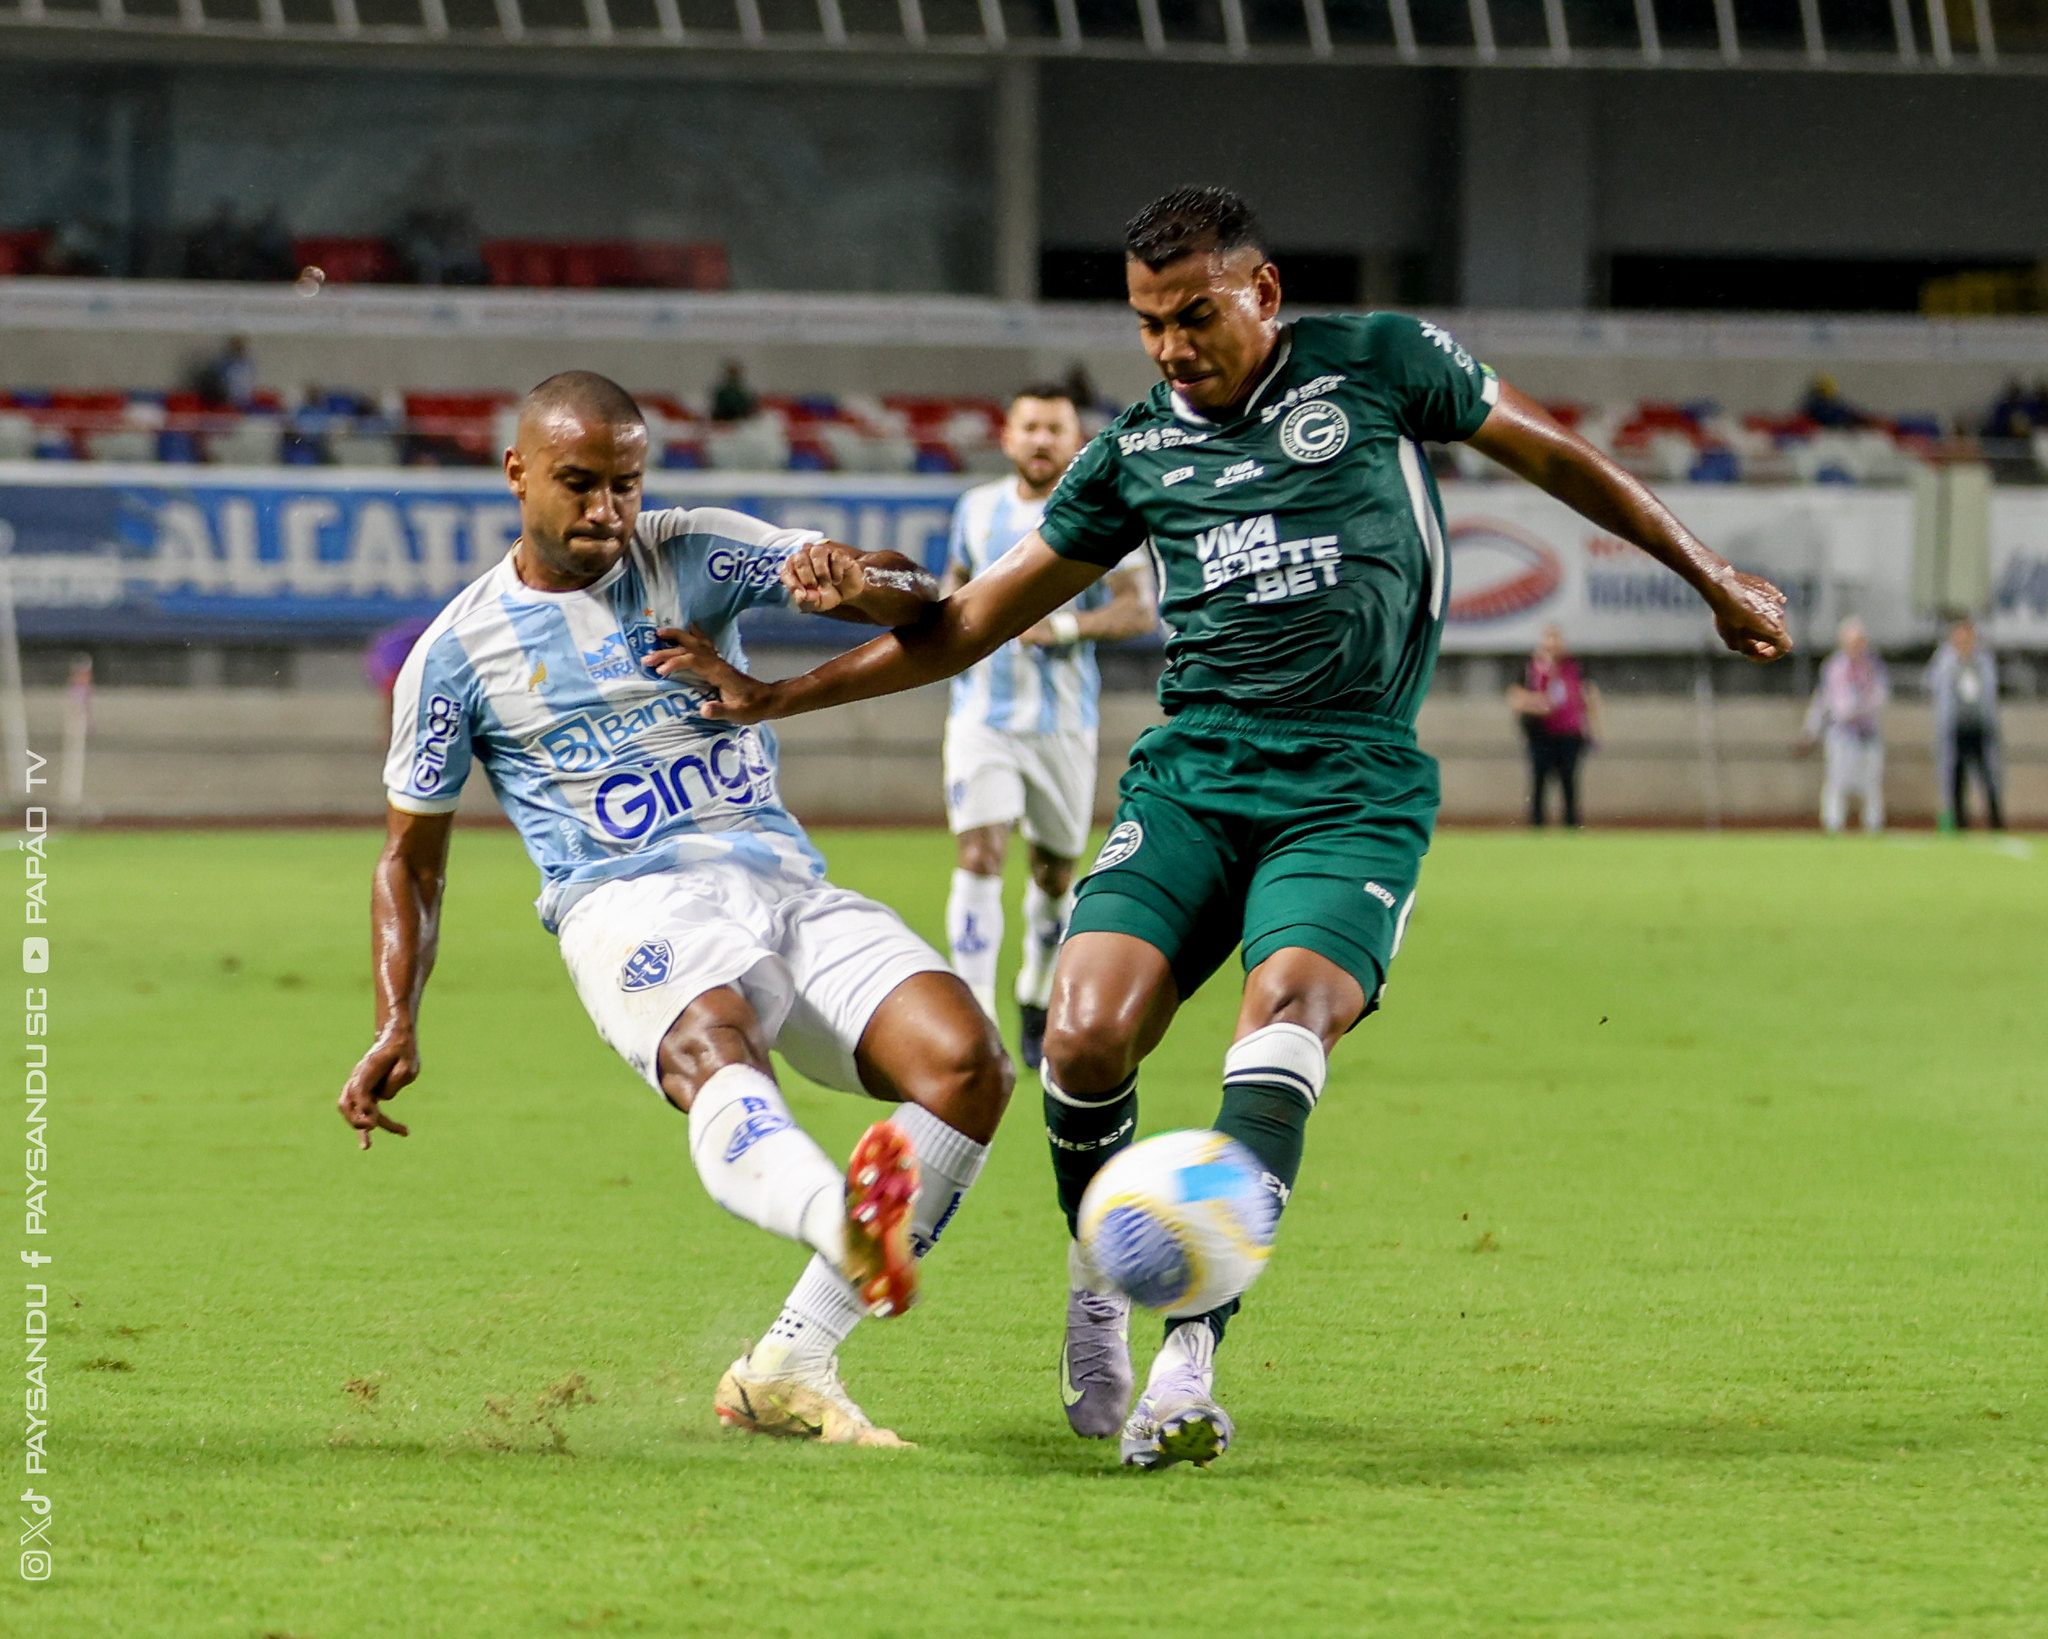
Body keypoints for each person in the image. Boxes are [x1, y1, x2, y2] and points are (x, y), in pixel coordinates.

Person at [649, 186, 1791, 1470]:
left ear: (1260, 289)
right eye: (1148, 324)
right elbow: (969, 620)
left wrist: (1711, 575)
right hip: (1192, 776)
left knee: (1287, 1015)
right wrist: (776, 694)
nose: (1172, 347)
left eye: (1193, 315)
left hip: (1350, 782)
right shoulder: (1134, 451)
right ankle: (1100, 1272)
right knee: (1079, 1037)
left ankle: (1187, 1357)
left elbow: (1558, 456)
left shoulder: (1379, 363)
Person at [338, 371, 1010, 1449]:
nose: (607, 511)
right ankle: (836, 1217)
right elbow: (409, 860)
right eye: (579, 484)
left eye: (624, 484)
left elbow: (923, 596)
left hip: (781, 878)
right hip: (626, 900)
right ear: (515, 473)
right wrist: (396, 1015)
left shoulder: (695, 549)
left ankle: (789, 1361)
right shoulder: (455, 657)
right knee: (714, 1042)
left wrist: (859, 583)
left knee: (967, 1064)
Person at [940, 385, 1157, 1069]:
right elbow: (955, 585)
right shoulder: (975, 508)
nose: (1040, 439)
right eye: (1029, 426)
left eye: (1054, 429)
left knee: (1055, 873)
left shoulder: (1102, 509)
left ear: (1075, 441)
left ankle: (1035, 987)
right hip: (980, 716)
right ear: (1008, 436)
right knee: (979, 855)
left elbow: (1137, 611)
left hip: (1063, 724)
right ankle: (973, 1017)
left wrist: (1062, 626)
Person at [1797, 616, 1889, 834]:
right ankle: (1833, 822)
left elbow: (1880, 696)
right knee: (1837, 780)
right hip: (1842, 732)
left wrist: (1859, 707)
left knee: (1872, 781)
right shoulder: (1835, 667)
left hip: (1867, 732)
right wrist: (1810, 730)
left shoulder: (1873, 666)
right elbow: (1824, 700)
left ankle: (1873, 823)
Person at [1507, 625, 1600, 827]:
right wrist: (1537, 703)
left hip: (1570, 733)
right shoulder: (1531, 668)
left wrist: (1594, 729)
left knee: (1569, 779)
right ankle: (1537, 823)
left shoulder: (1574, 667)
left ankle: (1571, 823)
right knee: (1539, 780)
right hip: (1541, 734)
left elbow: (1589, 696)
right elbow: (1515, 697)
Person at [1928, 615, 2003, 830]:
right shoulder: (1945, 661)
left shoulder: (1982, 661)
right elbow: (1933, 686)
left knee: (1989, 774)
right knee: (1955, 776)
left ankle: (1996, 820)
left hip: (1979, 726)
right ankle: (1958, 821)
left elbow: (1989, 693)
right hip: (1954, 727)